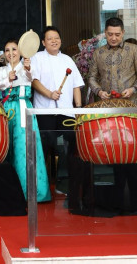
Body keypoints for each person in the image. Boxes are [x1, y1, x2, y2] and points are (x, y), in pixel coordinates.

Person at [0, 38, 51, 202]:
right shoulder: (1, 71)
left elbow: (31, 77)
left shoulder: (27, 67)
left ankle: (30, 192)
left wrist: (26, 69)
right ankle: (8, 192)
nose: (11, 53)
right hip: (5, 110)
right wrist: (8, 79)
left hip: (22, 108)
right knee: (5, 147)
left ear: (20, 51)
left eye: (14, 49)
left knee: (24, 147)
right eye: (7, 50)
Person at [30, 26, 84, 193]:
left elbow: (76, 85)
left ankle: (64, 184)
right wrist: (49, 94)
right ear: (43, 42)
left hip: (66, 111)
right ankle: (40, 186)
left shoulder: (68, 60)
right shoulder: (37, 58)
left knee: (67, 147)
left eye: (56, 38)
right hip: (44, 110)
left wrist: (79, 109)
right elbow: (34, 81)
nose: (54, 41)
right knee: (44, 146)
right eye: (50, 38)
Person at [88, 17, 137, 106]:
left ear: (123, 33)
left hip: (131, 104)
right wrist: (99, 92)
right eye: (110, 34)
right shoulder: (98, 53)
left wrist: (133, 89)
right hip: (107, 105)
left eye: (117, 34)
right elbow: (91, 77)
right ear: (105, 33)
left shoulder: (134, 49)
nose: (113, 38)